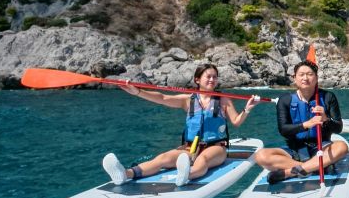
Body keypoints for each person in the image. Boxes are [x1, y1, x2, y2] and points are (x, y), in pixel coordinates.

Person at [103, 63, 261, 187]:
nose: (212, 80)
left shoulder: (224, 100)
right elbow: (162, 98)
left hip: (216, 148)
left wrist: (247, 109)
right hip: (190, 147)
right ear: (197, 80)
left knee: (203, 159)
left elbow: (236, 122)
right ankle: (126, 173)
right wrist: (137, 92)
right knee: (163, 158)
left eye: (215, 77)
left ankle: (187, 174)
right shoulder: (188, 100)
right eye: (208, 77)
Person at [253, 60, 348, 184]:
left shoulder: (328, 97)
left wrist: (326, 119)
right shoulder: (285, 100)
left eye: (310, 74)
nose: (305, 78)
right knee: (260, 156)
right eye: (301, 74)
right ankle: (313, 168)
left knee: (342, 147)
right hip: (294, 149)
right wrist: (306, 125)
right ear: (295, 78)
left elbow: (338, 128)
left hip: (321, 147)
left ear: (316, 78)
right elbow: (283, 130)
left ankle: (292, 172)